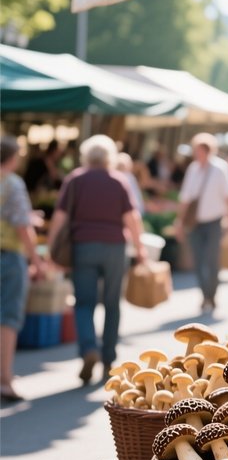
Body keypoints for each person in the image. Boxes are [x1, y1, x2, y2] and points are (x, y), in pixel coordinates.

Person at [47, 135, 147, 385]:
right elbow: (132, 218)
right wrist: (140, 248)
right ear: (110, 157)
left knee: (84, 303)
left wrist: (50, 248)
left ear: (86, 155)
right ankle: (108, 359)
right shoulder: (118, 180)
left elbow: (59, 217)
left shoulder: (75, 180)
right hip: (115, 247)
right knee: (112, 304)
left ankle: (88, 349)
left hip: (83, 247)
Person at [1, 136, 46, 401]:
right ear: (13, 158)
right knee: (7, 319)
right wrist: (36, 260)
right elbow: (21, 226)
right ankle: (4, 380)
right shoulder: (12, 183)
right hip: (7, 256)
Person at [174, 133, 228, 314]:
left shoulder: (220, 169)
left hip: (214, 222)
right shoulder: (193, 169)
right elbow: (185, 199)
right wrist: (179, 222)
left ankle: (211, 294)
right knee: (198, 260)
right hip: (195, 223)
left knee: (212, 261)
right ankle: (205, 294)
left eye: (199, 150)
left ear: (207, 150)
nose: (197, 153)